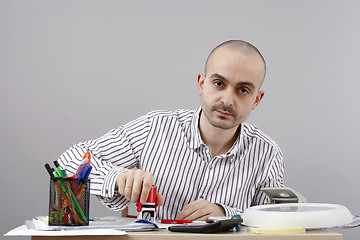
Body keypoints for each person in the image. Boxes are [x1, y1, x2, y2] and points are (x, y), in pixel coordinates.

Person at [57, 40, 284, 221]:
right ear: (201, 84)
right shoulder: (154, 127)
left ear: (257, 100)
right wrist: (118, 178)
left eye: (243, 90)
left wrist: (226, 214)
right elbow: (68, 161)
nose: (227, 100)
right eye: (218, 83)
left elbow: (275, 221)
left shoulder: (267, 153)